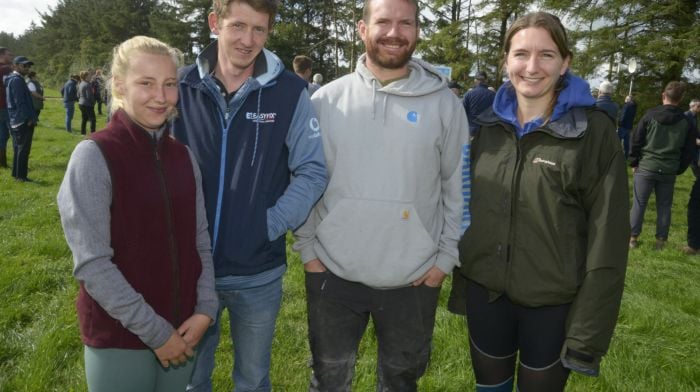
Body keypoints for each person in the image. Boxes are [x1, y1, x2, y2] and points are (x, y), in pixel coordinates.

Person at [448, 12, 629, 392]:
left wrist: (587, 334)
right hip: (487, 295)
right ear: (506, 61)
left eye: (546, 55)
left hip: (553, 304)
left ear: (565, 63)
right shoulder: (482, 125)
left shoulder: (594, 133)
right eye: (521, 54)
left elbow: (608, 242)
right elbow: (460, 204)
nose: (532, 67)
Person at [293, 0, 469, 390]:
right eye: (383, 21)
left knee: (401, 382)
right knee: (329, 379)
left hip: (414, 277)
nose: (394, 32)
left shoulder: (445, 105)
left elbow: (458, 188)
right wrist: (308, 251)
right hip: (332, 273)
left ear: (417, 30)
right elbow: (305, 181)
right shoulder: (325, 101)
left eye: (405, 22)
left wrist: (444, 259)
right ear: (362, 29)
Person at [171, 1, 328, 391]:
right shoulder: (179, 86)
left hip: (257, 272)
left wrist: (270, 224)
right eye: (238, 26)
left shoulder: (291, 92)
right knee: (190, 379)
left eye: (259, 29)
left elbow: (312, 169)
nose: (248, 39)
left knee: (253, 379)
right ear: (214, 23)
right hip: (188, 270)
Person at [57, 35, 218, 392]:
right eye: (146, 83)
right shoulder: (94, 156)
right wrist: (157, 333)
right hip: (120, 338)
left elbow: (200, 240)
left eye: (170, 84)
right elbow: (93, 264)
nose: (161, 97)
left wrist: (206, 307)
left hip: (184, 330)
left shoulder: (183, 157)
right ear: (118, 85)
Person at [629, 81, 696, 250]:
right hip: (668, 169)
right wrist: (679, 168)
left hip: (647, 166)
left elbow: (636, 140)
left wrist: (634, 161)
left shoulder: (650, 115)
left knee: (639, 203)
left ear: (663, 95)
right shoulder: (686, 121)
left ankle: (632, 238)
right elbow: (689, 150)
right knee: (664, 206)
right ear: (680, 99)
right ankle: (660, 241)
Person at [6, 56, 37, 182]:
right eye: (24, 66)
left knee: (19, 148)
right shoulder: (17, 80)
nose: (27, 68)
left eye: (29, 66)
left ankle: (16, 174)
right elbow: (20, 102)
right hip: (22, 120)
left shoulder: (16, 79)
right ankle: (21, 177)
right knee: (23, 149)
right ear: (16, 65)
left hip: (17, 119)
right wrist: (28, 118)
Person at [684, 98, 700, 254]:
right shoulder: (687, 117)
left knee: (695, 205)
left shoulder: (694, 118)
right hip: (692, 153)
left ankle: (694, 245)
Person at [0, 47, 13, 168]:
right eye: (9, 55)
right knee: (16, 133)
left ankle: (2, 162)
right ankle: (19, 164)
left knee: (2, 135)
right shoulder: (6, 69)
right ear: (2, 55)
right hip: (5, 106)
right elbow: (11, 86)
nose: (11, 57)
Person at [78, 70, 97, 135]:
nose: (90, 76)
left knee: (84, 118)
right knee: (93, 119)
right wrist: (93, 102)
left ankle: (82, 133)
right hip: (87, 104)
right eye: (89, 75)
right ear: (86, 76)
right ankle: (93, 134)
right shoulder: (87, 84)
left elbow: (78, 95)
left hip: (81, 103)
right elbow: (89, 96)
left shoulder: (80, 83)